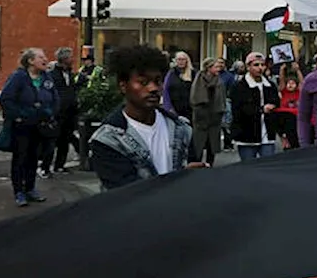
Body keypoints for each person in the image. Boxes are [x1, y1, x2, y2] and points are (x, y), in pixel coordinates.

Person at [90, 45, 204, 191]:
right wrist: (180, 179)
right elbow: (127, 193)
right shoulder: (107, 139)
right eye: (143, 82)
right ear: (123, 86)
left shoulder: (182, 129)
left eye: (157, 81)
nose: (153, 88)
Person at [0, 48, 59, 207]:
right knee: (20, 158)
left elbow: (55, 98)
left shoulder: (47, 78)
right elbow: (6, 99)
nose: (45, 59)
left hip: (41, 125)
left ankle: (31, 188)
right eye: (41, 57)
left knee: (34, 157)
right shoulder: (19, 77)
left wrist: (50, 113)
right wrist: (18, 116)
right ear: (31, 61)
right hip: (22, 125)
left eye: (45, 56)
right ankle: (19, 191)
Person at [229, 52, 280, 161]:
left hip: (267, 134)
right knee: (248, 167)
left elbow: (276, 103)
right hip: (247, 134)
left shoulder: (270, 85)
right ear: (248, 67)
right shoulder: (239, 87)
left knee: (268, 166)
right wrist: (261, 110)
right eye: (256, 65)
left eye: (262, 65)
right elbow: (239, 110)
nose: (260, 68)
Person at [39, 47, 79, 176]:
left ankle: (59, 166)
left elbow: (71, 90)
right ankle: (45, 167)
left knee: (65, 140)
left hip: (69, 112)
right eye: (70, 57)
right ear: (65, 59)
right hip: (57, 112)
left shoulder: (69, 73)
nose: (73, 59)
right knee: (51, 141)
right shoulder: (52, 74)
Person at [189, 57, 227, 165]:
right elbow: (195, 96)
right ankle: (197, 163)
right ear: (209, 68)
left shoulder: (219, 80)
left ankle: (210, 163)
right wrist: (198, 109)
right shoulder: (200, 78)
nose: (218, 69)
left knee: (213, 142)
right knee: (199, 142)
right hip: (201, 115)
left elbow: (222, 96)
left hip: (215, 114)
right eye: (216, 67)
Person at [162, 51, 195, 123]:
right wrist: (168, 108)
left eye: (183, 59)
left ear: (187, 60)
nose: (181, 62)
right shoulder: (171, 73)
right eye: (179, 59)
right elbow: (165, 90)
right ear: (175, 61)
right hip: (174, 111)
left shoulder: (193, 74)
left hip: (191, 111)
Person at [276, 75, 301, 149]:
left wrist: (298, 70)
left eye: (293, 83)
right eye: (288, 83)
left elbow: (302, 83)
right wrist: (282, 70)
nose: (290, 85)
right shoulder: (284, 92)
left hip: (296, 121)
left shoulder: (299, 93)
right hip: (285, 121)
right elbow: (281, 81)